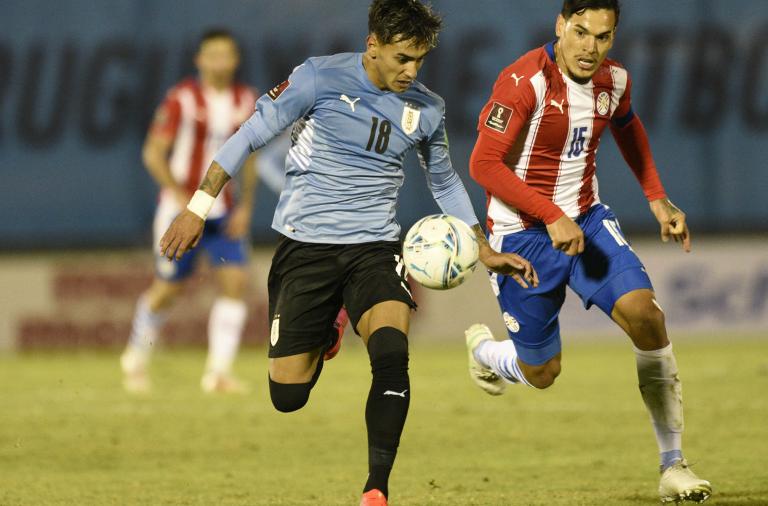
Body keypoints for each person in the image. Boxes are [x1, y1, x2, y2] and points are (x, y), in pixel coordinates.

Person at [158, 2, 537, 505]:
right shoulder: (318, 78)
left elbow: (443, 179)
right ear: (373, 45)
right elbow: (247, 136)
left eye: (420, 60)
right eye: (403, 58)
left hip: (376, 248)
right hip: (305, 249)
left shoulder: (426, 108)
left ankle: (376, 488)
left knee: (392, 355)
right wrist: (197, 208)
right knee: (287, 396)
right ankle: (331, 326)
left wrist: (482, 247)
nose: (411, 71)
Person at [462, 1, 712, 503]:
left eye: (602, 37)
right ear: (560, 26)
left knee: (646, 315)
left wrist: (657, 198)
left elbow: (629, 126)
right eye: (580, 32)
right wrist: (549, 215)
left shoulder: (614, 81)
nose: (589, 48)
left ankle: (673, 465)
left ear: (613, 37)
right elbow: (484, 164)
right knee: (542, 373)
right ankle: (487, 353)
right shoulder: (524, 82)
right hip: (521, 236)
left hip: (588, 222)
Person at [120, 29, 263, 394]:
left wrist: (246, 205)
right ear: (199, 60)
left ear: (235, 60)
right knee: (169, 288)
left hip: (225, 213)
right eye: (212, 54)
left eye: (226, 54)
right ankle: (135, 357)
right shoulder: (180, 99)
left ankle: (217, 373)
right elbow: (153, 153)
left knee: (235, 284)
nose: (219, 61)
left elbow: (250, 159)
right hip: (178, 213)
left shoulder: (246, 100)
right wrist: (182, 196)